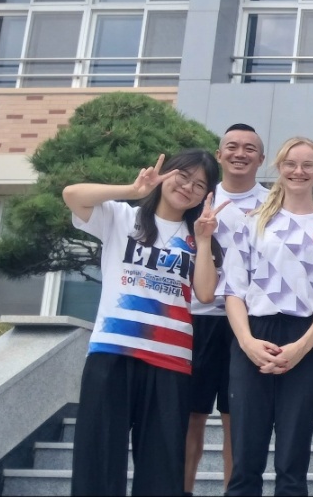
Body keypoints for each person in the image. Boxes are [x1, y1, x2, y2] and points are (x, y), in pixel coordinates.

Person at [199, 137, 313, 497]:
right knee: (245, 456)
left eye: (307, 165)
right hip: (253, 334)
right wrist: (247, 342)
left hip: (307, 338)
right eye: (290, 164)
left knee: (292, 458)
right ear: (279, 168)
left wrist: (300, 348)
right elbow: (233, 291)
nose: (299, 171)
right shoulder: (251, 223)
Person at [64, 150, 220, 497]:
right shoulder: (122, 217)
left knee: (162, 467)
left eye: (199, 185)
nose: (188, 187)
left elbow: (206, 293)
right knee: (98, 458)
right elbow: (72, 194)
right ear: (165, 174)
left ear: (206, 195)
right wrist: (132, 190)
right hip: (112, 352)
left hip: (171, 361)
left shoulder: (199, 235)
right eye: (183, 176)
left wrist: (204, 239)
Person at [188, 125, 267, 495]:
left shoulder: (272, 203)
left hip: (248, 323)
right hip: (197, 318)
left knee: (238, 421)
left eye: (249, 148)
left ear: (261, 159)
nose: (240, 153)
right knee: (192, 415)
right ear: (219, 155)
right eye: (232, 147)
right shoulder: (196, 197)